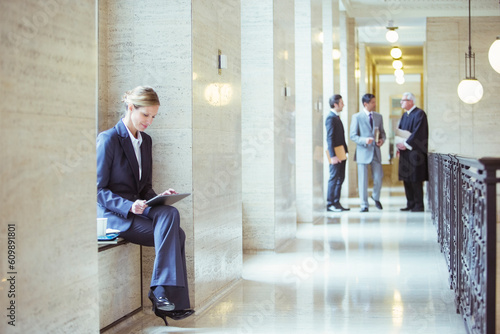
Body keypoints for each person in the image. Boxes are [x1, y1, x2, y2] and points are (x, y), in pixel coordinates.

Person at [96, 86, 194, 326]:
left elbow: (143, 189)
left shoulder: (146, 141)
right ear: (131, 108)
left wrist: (158, 196)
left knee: (169, 211)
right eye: (145, 115)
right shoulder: (109, 139)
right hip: (116, 215)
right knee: (177, 235)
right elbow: (97, 189)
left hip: (140, 208)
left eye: (153, 117)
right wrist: (129, 206)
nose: (149, 121)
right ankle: (166, 296)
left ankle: (161, 291)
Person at [349, 93, 386, 212]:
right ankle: (364, 204)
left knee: (378, 178)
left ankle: (375, 197)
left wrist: (382, 140)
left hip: (376, 151)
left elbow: (383, 133)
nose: (375, 104)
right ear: (366, 104)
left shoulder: (379, 117)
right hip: (363, 152)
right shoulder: (357, 117)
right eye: (373, 102)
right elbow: (353, 136)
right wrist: (365, 140)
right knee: (363, 180)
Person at [396, 92, 428, 212]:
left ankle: (419, 205)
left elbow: (418, 132)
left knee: (415, 179)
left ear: (411, 101)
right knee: (407, 179)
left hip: (415, 153)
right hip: (404, 152)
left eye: (403, 100)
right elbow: (400, 132)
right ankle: (410, 203)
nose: (401, 102)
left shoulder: (420, 114)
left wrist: (405, 144)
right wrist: (398, 145)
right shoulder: (405, 116)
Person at [325, 94, 350, 212]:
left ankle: (336, 202)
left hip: (341, 152)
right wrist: (333, 156)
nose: (343, 105)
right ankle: (331, 204)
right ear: (335, 104)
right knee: (334, 178)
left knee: (341, 177)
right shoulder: (330, 118)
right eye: (341, 103)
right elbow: (329, 138)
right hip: (335, 153)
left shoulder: (337, 117)